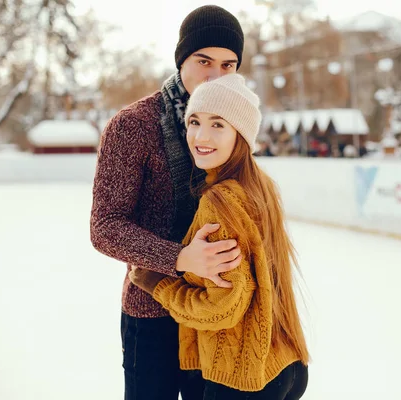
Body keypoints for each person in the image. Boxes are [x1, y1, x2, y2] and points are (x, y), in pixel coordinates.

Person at [90, 5, 246, 399]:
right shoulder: (133, 126)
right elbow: (105, 226)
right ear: (182, 60)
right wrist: (179, 258)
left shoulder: (237, 125)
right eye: (204, 60)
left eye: (229, 65)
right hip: (152, 313)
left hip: (215, 314)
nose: (216, 75)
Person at [129, 74, 310, 399]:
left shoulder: (219, 201)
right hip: (284, 363)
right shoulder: (260, 186)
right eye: (194, 121)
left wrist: (159, 284)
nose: (200, 135)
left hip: (242, 378)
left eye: (218, 125)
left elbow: (222, 308)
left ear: (240, 134)